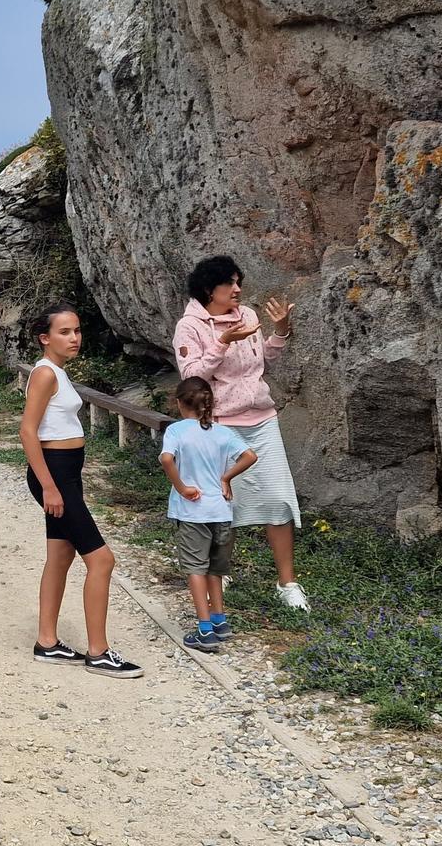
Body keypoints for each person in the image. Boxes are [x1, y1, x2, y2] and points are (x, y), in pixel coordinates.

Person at [173, 254, 309, 611]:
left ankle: (288, 583)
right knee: (221, 504)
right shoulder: (190, 326)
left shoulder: (247, 315)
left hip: (262, 419)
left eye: (239, 282)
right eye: (229, 284)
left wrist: (280, 331)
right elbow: (192, 376)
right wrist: (222, 343)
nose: (237, 290)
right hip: (219, 424)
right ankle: (218, 574)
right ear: (208, 289)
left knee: (278, 501)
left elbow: (261, 361)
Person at [20, 303, 143, 678]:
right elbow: (28, 431)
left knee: (60, 558)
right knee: (102, 560)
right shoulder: (44, 374)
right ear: (45, 338)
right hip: (55, 475)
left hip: (66, 474)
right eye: (64, 332)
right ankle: (98, 652)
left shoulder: (57, 371)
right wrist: (49, 488)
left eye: (76, 331)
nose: (74, 338)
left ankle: (47, 642)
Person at [160, 376, 258, 654]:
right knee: (216, 568)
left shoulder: (177, 431)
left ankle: (204, 629)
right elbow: (250, 456)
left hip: (192, 513)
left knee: (195, 568)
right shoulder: (222, 432)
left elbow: (167, 459)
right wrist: (226, 477)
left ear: (179, 403)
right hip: (222, 512)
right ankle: (220, 620)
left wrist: (181, 487)